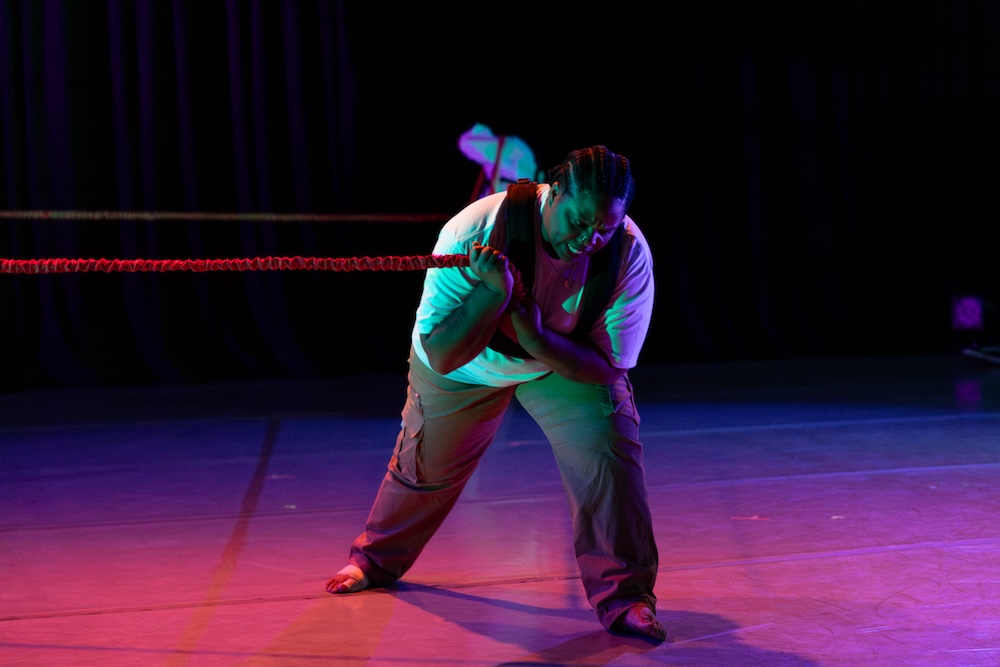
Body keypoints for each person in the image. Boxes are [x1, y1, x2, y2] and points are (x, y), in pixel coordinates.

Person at [325, 145, 665, 641]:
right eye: (578, 220)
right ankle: (375, 562)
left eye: (605, 227)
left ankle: (627, 597)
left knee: (608, 459)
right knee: (426, 469)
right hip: (469, 365)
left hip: (559, 362)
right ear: (554, 192)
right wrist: (491, 294)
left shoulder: (629, 254)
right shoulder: (477, 231)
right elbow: (440, 354)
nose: (589, 238)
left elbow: (607, 367)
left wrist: (534, 339)